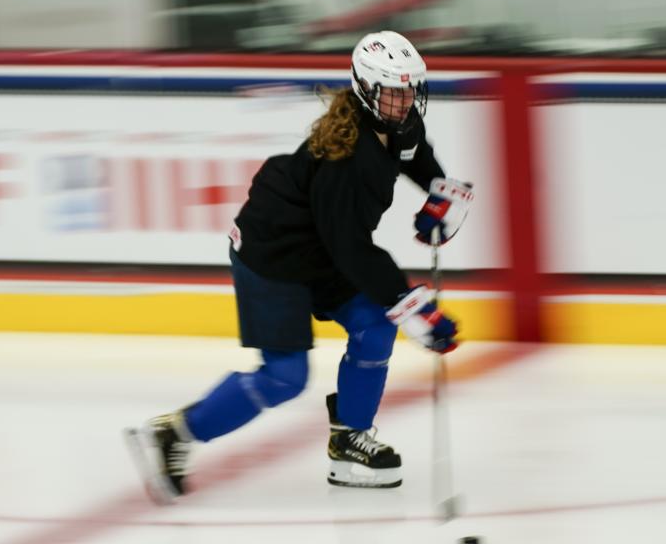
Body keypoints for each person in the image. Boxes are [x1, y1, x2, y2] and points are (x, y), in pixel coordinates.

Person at [125, 30, 474, 504]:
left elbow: (413, 154)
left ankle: (350, 439)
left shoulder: (400, 121)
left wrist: (439, 190)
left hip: (323, 249)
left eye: (411, 89)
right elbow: (351, 250)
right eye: (393, 91)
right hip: (275, 255)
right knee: (284, 377)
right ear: (366, 90)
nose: (404, 100)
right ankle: (174, 434)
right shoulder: (344, 159)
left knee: (374, 327)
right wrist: (411, 303)